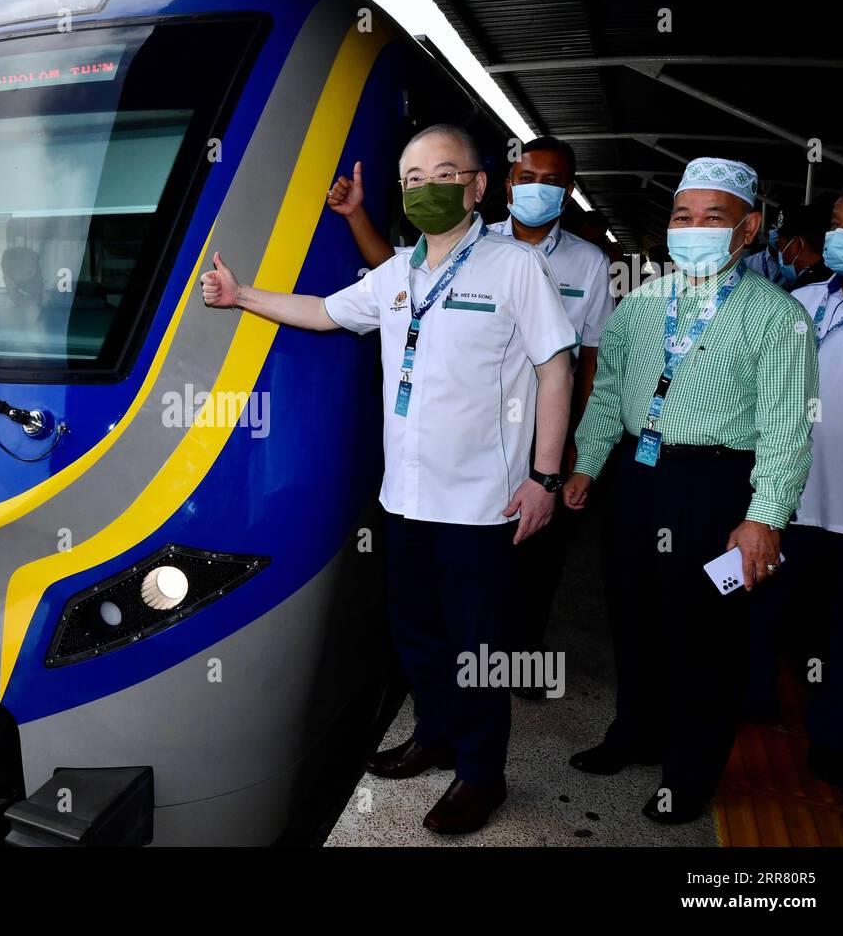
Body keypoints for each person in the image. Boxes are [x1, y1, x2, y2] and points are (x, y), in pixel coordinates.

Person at [202, 124, 577, 833]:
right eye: (410, 178)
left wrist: (545, 479)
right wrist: (241, 295)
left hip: (482, 506)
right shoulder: (397, 272)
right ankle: (434, 735)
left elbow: (556, 368)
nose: (423, 188)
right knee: (416, 634)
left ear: (475, 186)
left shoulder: (512, 268)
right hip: (404, 500)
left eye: (441, 173)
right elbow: (321, 313)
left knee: (480, 651)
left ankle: (481, 774)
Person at [562, 157, 819, 824]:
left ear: (749, 228)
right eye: (683, 216)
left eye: (714, 218)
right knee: (634, 614)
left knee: (705, 636)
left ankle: (690, 771)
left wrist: (765, 518)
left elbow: (788, 426)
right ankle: (634, 733)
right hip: (638, 477)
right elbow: (610, 391)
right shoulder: (640, 304)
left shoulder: (777, 315)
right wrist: (588, 465)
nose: (694, 229)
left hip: (718, 487)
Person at [327, 138, 612, 690]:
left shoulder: (589, 262)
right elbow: (397, 282)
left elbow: (587, 359)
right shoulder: (467, 239)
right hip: (473, 436)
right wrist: (356, 215)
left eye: (553, 181)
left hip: (541, 436)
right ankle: (447, 713)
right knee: (450, 601)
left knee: (530, 572)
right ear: (504, 185)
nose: (538, 189)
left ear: (570, 192)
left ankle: (518, 667)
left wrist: (574, 447)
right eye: (528, 177)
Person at [776, 179, 843, 782]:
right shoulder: (803, 301)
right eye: (836, 224)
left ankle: (837, 739)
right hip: (788, 499)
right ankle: (762, 705)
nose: (840, 236)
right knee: (772, 610)